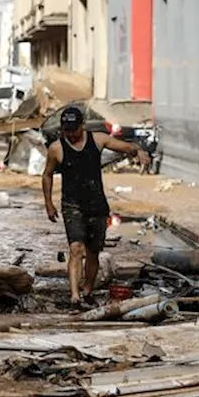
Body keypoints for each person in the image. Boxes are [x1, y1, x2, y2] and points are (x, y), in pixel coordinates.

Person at [42, 105, 150, 307]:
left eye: (74, 130)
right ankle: (74, 295)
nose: (71, 134)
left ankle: (87, 291)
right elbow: (47, 175)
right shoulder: (56, 148)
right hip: (71, 204)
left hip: (97, 205)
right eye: (66, 130)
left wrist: (139, 151)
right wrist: (48, 203)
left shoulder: (98, 139)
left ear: (82, 126)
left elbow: (125, 147)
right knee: (75, 249)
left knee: (93, 253)